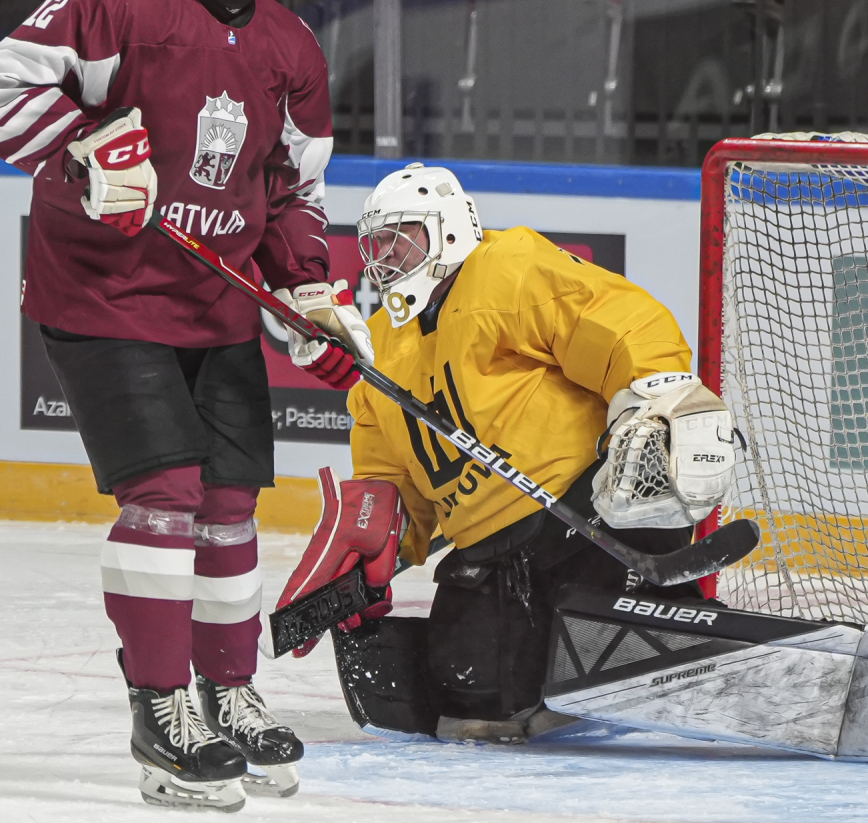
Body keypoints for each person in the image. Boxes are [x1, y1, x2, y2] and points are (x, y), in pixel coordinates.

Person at [0, 0, 372, 812]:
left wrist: (308, 291)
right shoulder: (111, 1)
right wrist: (83, 151)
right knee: (165, 494)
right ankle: (161, 708)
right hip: (103, 296)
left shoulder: (290, 45)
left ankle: (228, 691)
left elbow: (293, 189)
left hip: (216, 301)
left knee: (229, 502)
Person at [277, 163, 737, 741]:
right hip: (491, 556)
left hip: (586, 517)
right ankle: (581, 671)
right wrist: (369, 555)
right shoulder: (379, 349)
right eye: (377, 243)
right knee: (468, 698)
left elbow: (619, 320)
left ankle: (691, 639)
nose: (386, 256)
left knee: (609, 606)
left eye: (402, 236)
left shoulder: (507, 268)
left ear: (447, 229)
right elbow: (392, 483)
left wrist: (656, 392)